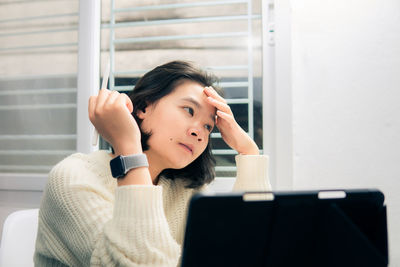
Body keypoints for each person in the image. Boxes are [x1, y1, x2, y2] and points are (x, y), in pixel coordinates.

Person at [34, 60, 271, 266]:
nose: (199, 132)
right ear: (144, 107)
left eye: (208, 126)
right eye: (189, 110)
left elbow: (245, 251)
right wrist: (128, 145)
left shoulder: (185, 190)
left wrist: (248, 152)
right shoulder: (74, 178)